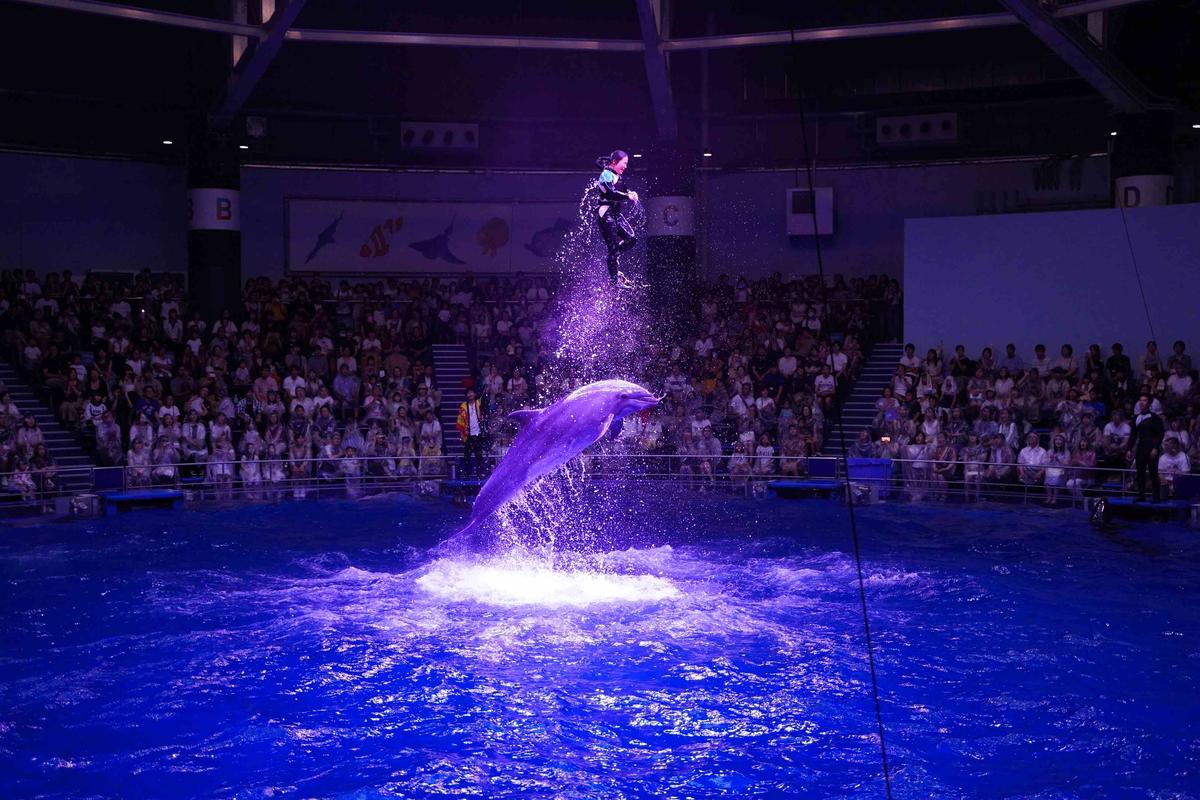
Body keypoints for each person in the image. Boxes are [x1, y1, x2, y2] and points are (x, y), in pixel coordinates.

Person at [594, 150, 640, 285]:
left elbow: (624, 191)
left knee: (631, 239)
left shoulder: (618, 176)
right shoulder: (605, 174)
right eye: (624, 163)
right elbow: (610, 194)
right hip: (606, 214)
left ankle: (613, 258)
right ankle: (615, 280)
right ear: (614, 162)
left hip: (616, 215)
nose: (625, 166)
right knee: (612, 247)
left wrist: (631, 193)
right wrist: (627, 196)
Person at [1127, 395, 1164, 502]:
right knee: (1140, 472)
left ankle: (1156, 497)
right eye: (1140, 400)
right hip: (1141, 447)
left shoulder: (1156, 418)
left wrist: (1156, 448)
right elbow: (1133, 435)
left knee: (1153, 472)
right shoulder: (1136, 418)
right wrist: (1129, 449)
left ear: (1149, 403)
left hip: (1152, 446)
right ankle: (1142, 495)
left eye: (1145, 400)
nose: (1142, 402)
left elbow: (1160, 434)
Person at [456, 389, 485, 477]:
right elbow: (460, 420)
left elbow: (484, 413)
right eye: (469, 393)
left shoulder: (479, 403)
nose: (470, 394)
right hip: (468, 434)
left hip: (478, 433)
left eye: (472, 392)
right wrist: (461, 433)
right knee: (467, 455)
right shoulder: (463, 406)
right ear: (467, 395)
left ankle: (479, 473)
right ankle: (467, 474)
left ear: (475, 394)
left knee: (479, 455)